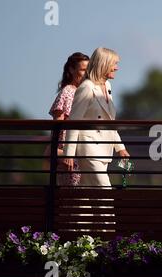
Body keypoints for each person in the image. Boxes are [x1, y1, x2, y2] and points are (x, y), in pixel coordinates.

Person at [63, 47, 129, 187]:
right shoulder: (87, 87)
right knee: (105, 192)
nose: (116, 68)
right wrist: (68, 154)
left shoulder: (107, 85)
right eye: (114, 64)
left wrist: (120, 148)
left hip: (104, 151)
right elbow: (73, 121)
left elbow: (109, 122)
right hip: (89, 150)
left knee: (89, 197)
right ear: (104, 64)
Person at [46, 52, 89, 186]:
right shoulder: (67, 92)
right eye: (83, 69)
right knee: (71, 194)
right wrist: (63, 153)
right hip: (69, 154)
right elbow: (57, 126)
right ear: (71, 69)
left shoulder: (84, 91)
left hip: (79, 150)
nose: (86, 74)